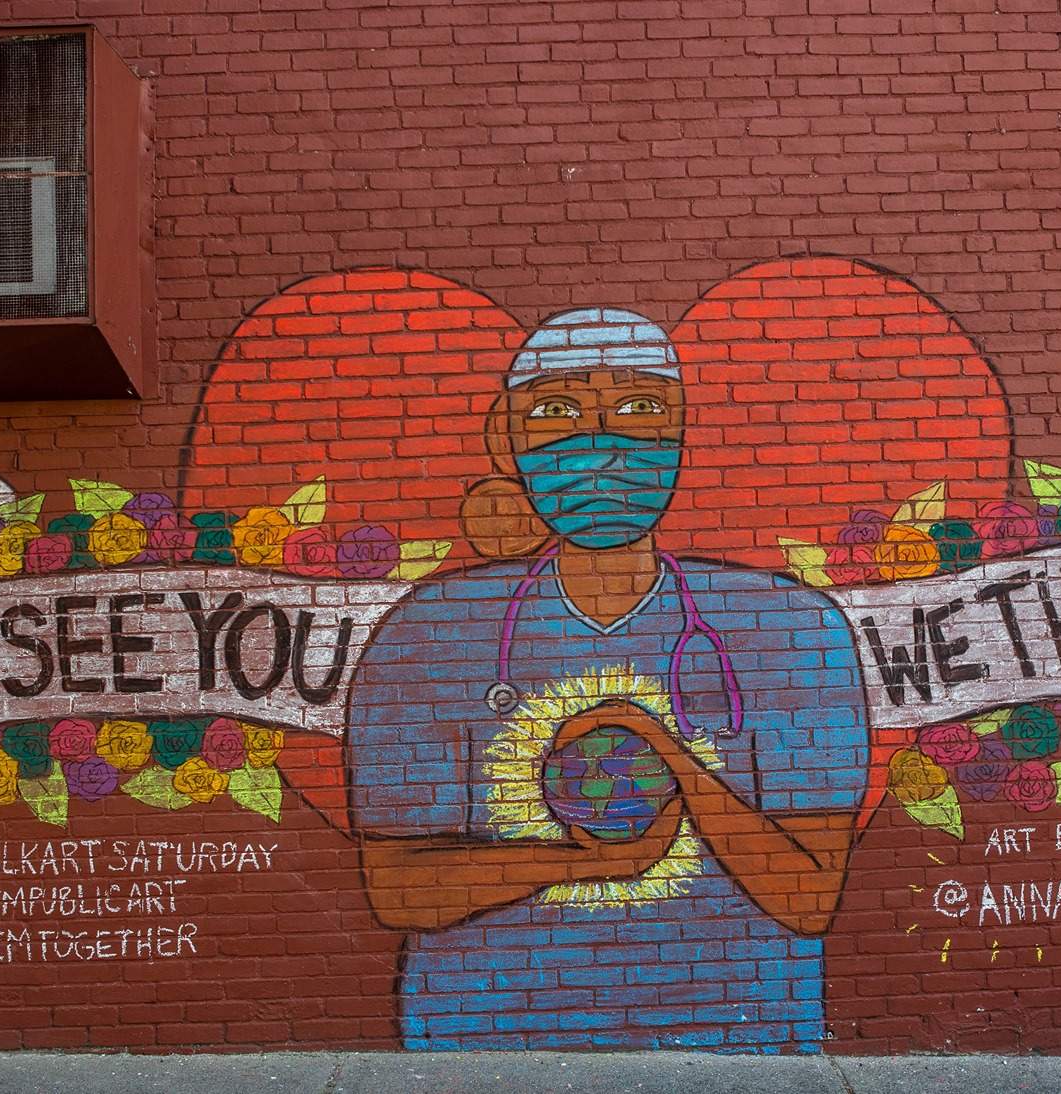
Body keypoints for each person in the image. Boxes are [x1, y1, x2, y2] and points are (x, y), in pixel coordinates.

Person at [346, 308, 872, 1052]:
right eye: (557, 410)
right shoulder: (430, 629)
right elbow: (397, 887)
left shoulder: (788, 628)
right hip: (485, 1046)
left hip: (742, 1040)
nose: (602, 444)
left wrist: (664, 747)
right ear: (506, 436)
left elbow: (812, 895)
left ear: (685, 433)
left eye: (641, 408)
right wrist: (591, 860)